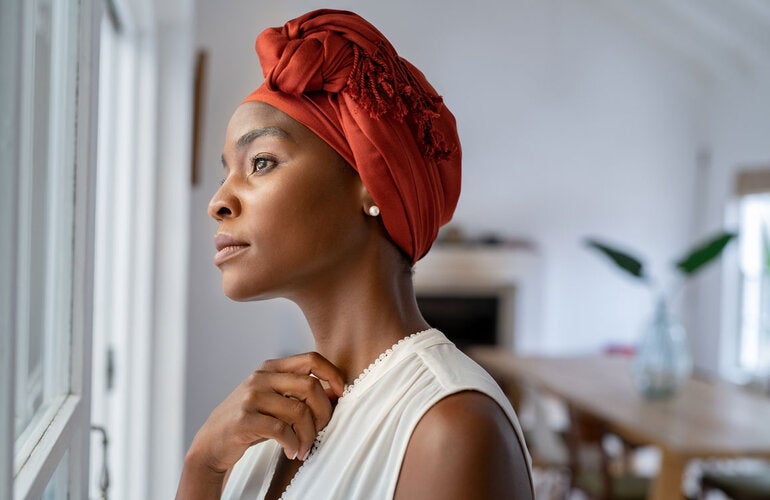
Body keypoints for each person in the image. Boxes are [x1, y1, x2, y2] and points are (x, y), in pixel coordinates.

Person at [177, 9, 533, 500]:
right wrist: (203, 466)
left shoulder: (449, 429)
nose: (219, 202)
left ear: (372, 182)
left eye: (260, 162)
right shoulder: (266, 419)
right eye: (225, 173)